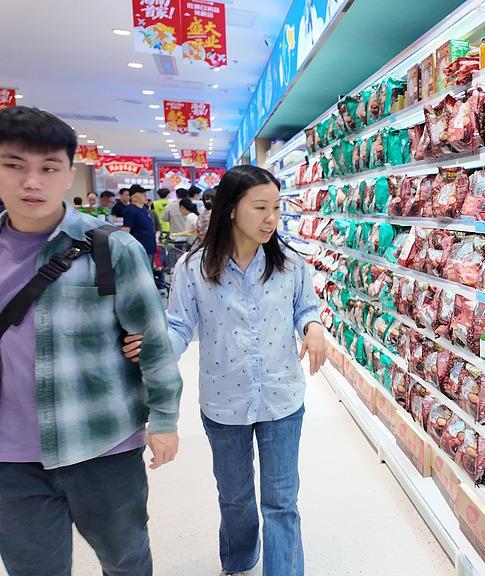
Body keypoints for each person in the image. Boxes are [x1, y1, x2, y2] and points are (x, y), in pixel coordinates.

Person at [0, 106, 183, 575]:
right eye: (14, 165)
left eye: (48, 168)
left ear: (69, 174)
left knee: (125, 560)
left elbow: (153, 340)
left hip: (102, 441)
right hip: (9, 458)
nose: (31, 182)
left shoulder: (111, 248)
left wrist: (164, 418)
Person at [166, 165, 326, 576]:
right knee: (234, 498)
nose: (271, 218)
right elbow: (178, 326)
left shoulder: (291, 264)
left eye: (276, 207)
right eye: (260, 207)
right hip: (224, 401)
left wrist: (313, 328)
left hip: (281, 398)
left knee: (281, 501)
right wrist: (151, 356)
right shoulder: (194, 268)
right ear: (232, 209)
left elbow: (306, 309)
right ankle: (238, 561)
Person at [121, 184, 158, 264]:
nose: (145, 196)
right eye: (142, 194)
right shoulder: (130, 210)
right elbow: (126, 231)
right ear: (134, 197)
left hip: (149, 247)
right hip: (140, 249)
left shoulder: (144, 209)